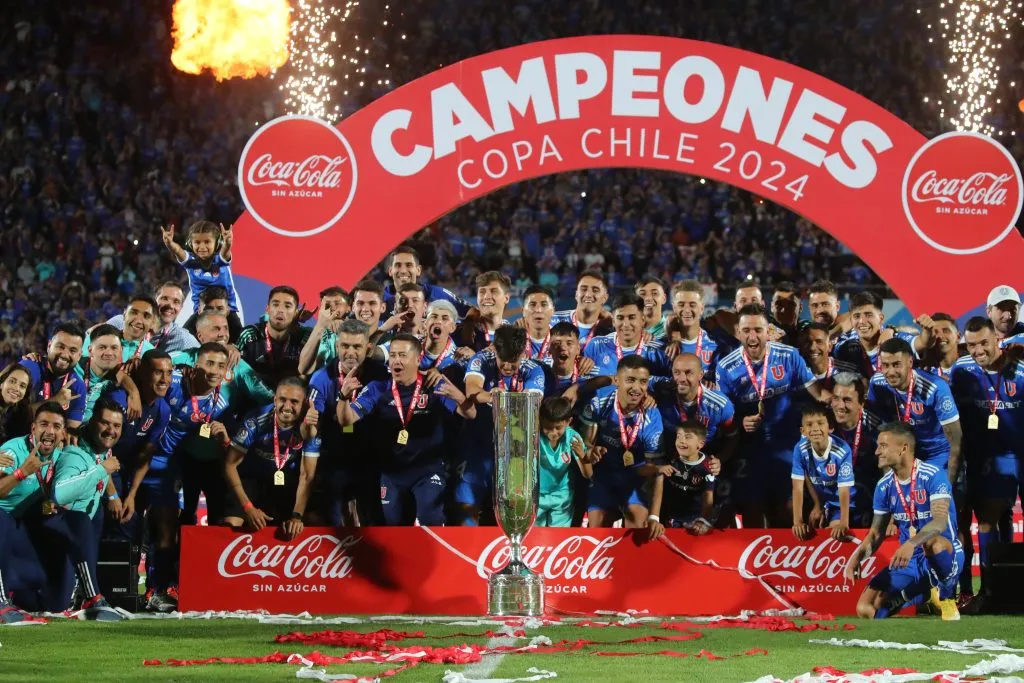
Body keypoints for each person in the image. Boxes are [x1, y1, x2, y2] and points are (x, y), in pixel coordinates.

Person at [340, 334, 476, 526]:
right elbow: (346, 419)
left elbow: (470, 414)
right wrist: (343, 397)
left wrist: (460, 397)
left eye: (402, 355)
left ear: (417, 359)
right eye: (393, 355)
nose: (396, 360)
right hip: (392, 474)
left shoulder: (434, 384)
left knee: (431, 520)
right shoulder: (378, 388)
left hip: (427, 471)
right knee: (393, 529)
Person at [715, 304, 827, 528]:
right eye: (746, 330)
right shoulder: (726, 367)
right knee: (752, 514)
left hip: (786, 445)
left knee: (787, 514)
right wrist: (740, 421)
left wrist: (842, 399)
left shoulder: (790, 356)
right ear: (737, 332)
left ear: (769, 332)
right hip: (749, 450)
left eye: (758, 329)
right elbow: (724, 416)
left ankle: (784, 563)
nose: (752, 336)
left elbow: (818, 393)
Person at [844, 422, 962, 622]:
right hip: (909, 561)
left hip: (944, 552)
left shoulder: (933, 476)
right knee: (865, 608)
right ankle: (921, 595)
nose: (876, 452)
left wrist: (910, 543)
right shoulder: (884, 486)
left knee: (932, 543)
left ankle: (947, 595)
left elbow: (940, 523)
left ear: (903, 448)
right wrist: (856, 559)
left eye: (883, 446)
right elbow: (875, 534)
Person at [951, 317, 1024, 611]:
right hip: (989, 461)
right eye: (971, 345)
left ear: (997, 338)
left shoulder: (1020, 369)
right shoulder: (962, 370)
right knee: (986, 522)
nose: (978, 350)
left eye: (984, 342)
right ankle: (991, 592)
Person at [458, 326, 545, 524]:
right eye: (502, 360)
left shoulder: (534, 370)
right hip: (478, 445)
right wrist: (490, 396)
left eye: (513, 361)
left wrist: (504, 399)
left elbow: (531, 405)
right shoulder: (481, 360)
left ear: (523, 354)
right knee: (468, 504)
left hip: (513, 450)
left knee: (510, 510)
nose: (506, 366)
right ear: (494, 350)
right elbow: (471, 389)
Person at [307, 319, 388, 526]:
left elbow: (348, 419)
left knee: (375, 520)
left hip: (372, 459)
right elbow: (311, 430)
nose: (350, 352)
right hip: (335, 459)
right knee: (335, 523)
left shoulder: (379, 375)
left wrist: (343, 398)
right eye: (345, 346)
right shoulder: (321, 379)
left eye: (357, 346)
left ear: (368, 348)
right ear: (336, 346)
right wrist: (307, 425)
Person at [52, 398, 125, 620]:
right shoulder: (74, 454)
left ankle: (84, 589)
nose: (111, 430)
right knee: (81, 519)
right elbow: (60, 495)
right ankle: (92, 596)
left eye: (116, 426)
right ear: (92, 422)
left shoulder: (101, 453)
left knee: (94, 515)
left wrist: (112, 494)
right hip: (53, 536)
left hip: (72, 538)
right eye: (105, 423)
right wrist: (103, 470)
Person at [224, 378, 320, 539]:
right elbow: (229, 465)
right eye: (282, 399)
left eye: (294, 402)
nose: (287, 407)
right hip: (253, 482)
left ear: (304, 404)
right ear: (275, 399)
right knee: (230, 524)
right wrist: (248, 507)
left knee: (314, 521)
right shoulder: (255, 420)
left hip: (289, 483)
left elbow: (307, 475)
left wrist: (297, 516)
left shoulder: (310, 426)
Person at [577, 355, 664, 529]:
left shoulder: (652, 416)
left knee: (638, 526)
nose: (637, 388)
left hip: (635, 478)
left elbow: (656, 469)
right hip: (603, 476)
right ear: (617, 380)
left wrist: (654, 516)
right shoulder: (598, 401)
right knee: (597, 526)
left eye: (643, 382)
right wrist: (590, 451)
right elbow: (586, 442)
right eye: (630, 380)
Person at [0, 403, 68, 622]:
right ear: (33, 428)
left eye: (56, 426)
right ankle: (1, 602)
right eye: (44, 424)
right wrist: (22, 472)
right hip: (4, 519)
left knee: (34, 600)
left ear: (63, 432)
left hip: (25, 525)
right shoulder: (13, 450)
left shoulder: (60, 456)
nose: (50, 431)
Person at [866, 337, 962, 473]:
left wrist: (947, 486)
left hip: (935, 453)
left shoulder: (935, 388)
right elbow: (880, 433)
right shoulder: (877, 383)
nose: (891, 372)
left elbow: (955, 442)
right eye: (885, 365)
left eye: (897, 364)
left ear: (910, 361)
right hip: (900, 450)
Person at [110, 351, 173, 541]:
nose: (165, 379)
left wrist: (132, 494)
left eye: (169, 373)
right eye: (158, 372)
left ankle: (133, 567)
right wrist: (113, 496)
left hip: (128, 470)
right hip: (104, 466)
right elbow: (99, 451)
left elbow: (146, 456)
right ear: (143, 373)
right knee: (120, 522)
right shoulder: (119, 400)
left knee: (138, 521)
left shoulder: (163, 409)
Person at [650, 353, 735, 459]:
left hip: (705, 460)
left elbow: (731, 437)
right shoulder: (662, 391)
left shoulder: (720, 405)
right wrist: (647, 395)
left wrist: (720, 459)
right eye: (677, 372)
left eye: (688, 373)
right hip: (670, 460)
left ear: (700, 375)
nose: (681, 378)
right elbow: (636, 380)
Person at [161, 221, 241, 333]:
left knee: (241, 339)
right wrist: (170, 244)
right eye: (197, 242)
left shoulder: (221, 261)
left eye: (207, 242)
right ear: (190, 244)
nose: (202, 246)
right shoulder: (190, 263)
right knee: (184, 336)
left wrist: (227, 244)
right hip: (201, 313)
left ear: (217, 243)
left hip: (228, 312)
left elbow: (225, 252)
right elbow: (178, 251)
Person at [790, 403, 855, 541]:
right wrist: (797, 522)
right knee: (804, 533)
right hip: (824, 502)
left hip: (844, 503)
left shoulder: (842, 450)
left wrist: (844, 523)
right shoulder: (799, 449)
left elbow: (844, 490)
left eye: (820, 423)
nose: (815, 429)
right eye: (809, 424)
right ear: (803, 431)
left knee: (834, 535)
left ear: (830, 428)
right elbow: (798, 488)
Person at [833, 291, 927, 378]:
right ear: (851, 321)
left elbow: (923, 342)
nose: (862, 321)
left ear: (881, 318)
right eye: (857, 316)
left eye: (869, 315)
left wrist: (928, 330)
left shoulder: (896, 340)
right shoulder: (844, 347)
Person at [647, 422, 716, 537]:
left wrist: (703, 521)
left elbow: (708, 497)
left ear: (700, 444)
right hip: (669, 518)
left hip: (694, 522)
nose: (681, 441)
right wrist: (654, 518)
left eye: (687, 437)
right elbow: (658, 487)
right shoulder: (670, 460)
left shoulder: (708, 467)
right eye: (678, 436)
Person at [236, 285, 312, 389]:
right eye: (275, 305)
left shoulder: (304, 338)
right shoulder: (250, 335)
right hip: (253, 401)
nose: (280, 310)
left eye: (287, 306)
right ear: (267, 309)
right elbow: (235, 374)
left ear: (296, 313)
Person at [830, 373, 880, 527]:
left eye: (847, 400)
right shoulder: (825, 425)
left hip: (870, 500)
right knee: (834, 531)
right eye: (836, 398)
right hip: (834, 498)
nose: (840, 406)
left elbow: (887, 475)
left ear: (861, 403)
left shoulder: (876, 429)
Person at [20, 323, 88, 432]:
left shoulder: (78, 387)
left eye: (73, 350)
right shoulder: (29, 369)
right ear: (49, 346)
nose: (65, 354)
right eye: (60, 346)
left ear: (79, 355)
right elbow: (13, 416)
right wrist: (55, 401)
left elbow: (71, 431)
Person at [584, 293, 671, 378]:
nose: (626, 324)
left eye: (631, 317)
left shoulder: (659, 351)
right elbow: (582, 384)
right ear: (613, 321)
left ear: (643, 320)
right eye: (620, 318)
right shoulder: (596, 346)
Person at [105, 282, 201, 353]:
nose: (170, 305)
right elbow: (92, 340)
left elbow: (202, 357)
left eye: (176, 302)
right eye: (164, 298)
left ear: (181, 308)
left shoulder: (182, 339)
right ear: (155, 300)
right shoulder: (119, 322)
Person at [74, 324, 142, 424]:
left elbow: (122, 375)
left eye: (114, 348)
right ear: (90, 351)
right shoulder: (74, 368)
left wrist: (134, 394)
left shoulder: (119, 373)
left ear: (121, 351)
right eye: (102, 347)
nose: (109, 353)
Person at [536, 397, 585, 527]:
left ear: (569, 422)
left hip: (562, 496)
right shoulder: (532, 436)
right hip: (535, 495)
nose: (553, 432)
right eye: (548, 427)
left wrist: (583, 457)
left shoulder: (573, 438)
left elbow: (588, 474)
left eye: (558, 428)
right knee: (532, 539)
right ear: (540, 420)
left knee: (558, 538)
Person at [383, 246, 471, 317]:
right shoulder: (379, 299)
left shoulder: (436, 293)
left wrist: (469, 323)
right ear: (390, 271)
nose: (403, 271)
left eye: (409, 265)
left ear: (418, 270)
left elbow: (470, 310)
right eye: (398, 265)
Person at [84, 295, 158, 362]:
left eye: (146, 316)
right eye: (134, 312)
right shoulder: (96, 339)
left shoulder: (153, 355)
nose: (139, 320)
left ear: (152, 323)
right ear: (125, 314)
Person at [550, 269, 611, 350]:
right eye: (584, 289)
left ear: (605, 298)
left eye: (595, 290)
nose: (588, 294)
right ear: (576, 294)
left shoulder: (611, 328)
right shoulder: (553, 320)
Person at [297, 286, 352, 375]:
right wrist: (294, 320)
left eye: (337, 303)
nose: (332, 308)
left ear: (349, 308)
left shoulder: (357, 332)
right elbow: (303, 369)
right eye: (327, 305)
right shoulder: (310, 333)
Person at [668, 279, 718, 375]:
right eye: (681, 305)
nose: (687, 310)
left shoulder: (716, 344)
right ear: (674, 308)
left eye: (692, 305)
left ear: (702, 308)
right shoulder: (666, 345)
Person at [457, 271, 512, 351]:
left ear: (506, 298)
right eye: (482, 292)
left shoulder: (512, 335)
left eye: (494, 291)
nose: (486, 297)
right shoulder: (461, 329)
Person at [0, 364, 33, 444]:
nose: (16, 389)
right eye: (12, 381)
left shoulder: (24, 412)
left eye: (22, 386)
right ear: (1, 384)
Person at [521, 285, 556, 361]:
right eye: (532, 304)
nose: (538, 310)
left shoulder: (562, 341)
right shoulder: (512, 341)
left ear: (553, 310)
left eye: (544, 305)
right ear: (523, 311)